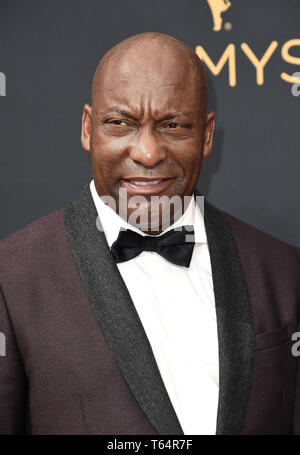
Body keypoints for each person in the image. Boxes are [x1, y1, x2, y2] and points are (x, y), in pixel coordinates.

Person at [0, 32, 299, 435]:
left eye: (173, 125)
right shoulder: (12, 275)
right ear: (88, 129)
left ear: (206, 135)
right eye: (120, 123)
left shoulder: (282, 270)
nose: (147, 152)